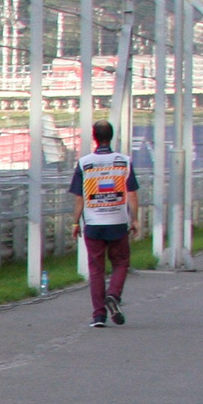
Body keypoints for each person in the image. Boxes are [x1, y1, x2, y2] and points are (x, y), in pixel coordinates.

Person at [69, 121, 138, 328]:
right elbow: (132, 194)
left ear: (94, 137)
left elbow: (79, 198)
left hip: (93, 222)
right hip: (117, 221)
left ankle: (99, 316)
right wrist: (134, 219)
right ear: (112, 135)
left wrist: (75, 222)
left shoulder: (84, 163)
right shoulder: (123, 161)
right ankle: (114, 295)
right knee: (121, 262)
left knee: (96, 269)